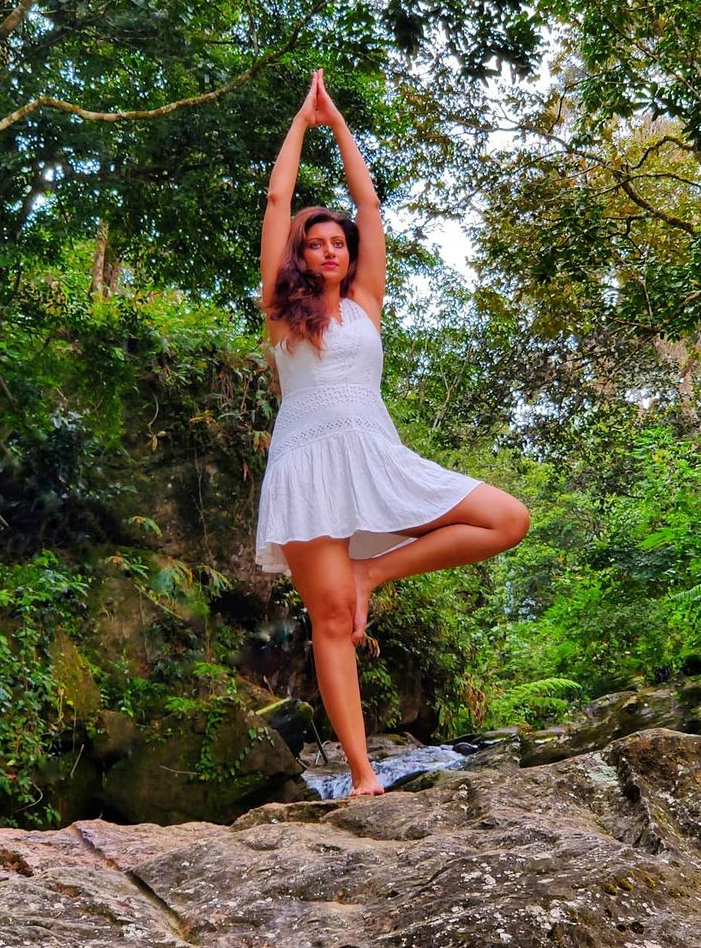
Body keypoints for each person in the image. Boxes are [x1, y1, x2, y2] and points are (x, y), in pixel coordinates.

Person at [255, 70, 530, 797]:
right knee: (331, 619)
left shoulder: (366, 303)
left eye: (337, 242)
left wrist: (339, 124)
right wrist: (299, 123)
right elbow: (278, 201)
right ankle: (361, 773)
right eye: (315, 244)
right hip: (307, 464)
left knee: (506, 518)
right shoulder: (281, 311)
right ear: (299, 256)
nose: (329, 250)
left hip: (375, 454)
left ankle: (372, 573)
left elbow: (370, 205)